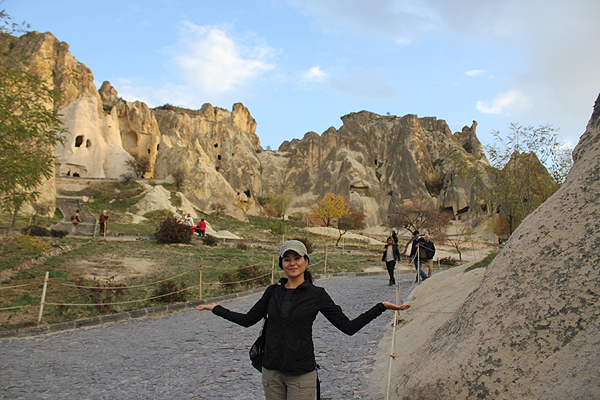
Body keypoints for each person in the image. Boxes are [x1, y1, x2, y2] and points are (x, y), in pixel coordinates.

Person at [196, 240, 410, 400]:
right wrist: (217, 309)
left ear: (306, 261)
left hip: (301, 375)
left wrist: (381, 307)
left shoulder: (317, 294)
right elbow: (248, 320)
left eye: (296, 258)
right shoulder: (272, 292)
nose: (292, 263)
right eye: (287, 259)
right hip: (271, 373)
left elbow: (348, 327)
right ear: (281, 264)